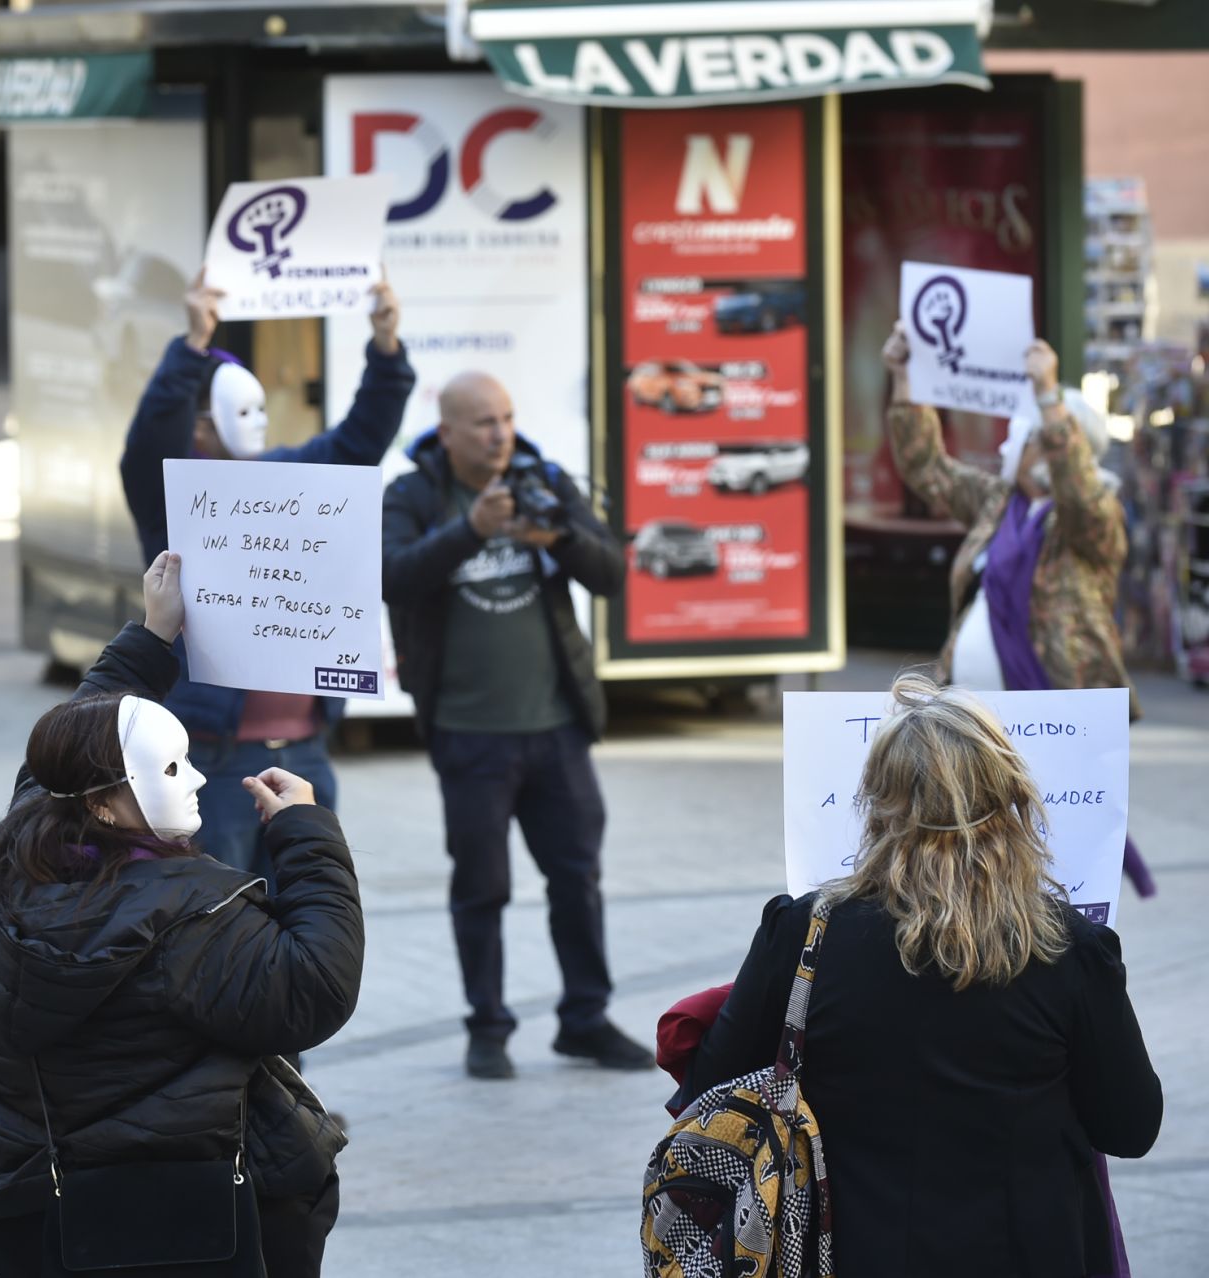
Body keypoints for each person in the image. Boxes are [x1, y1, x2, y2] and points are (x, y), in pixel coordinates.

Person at [0, 552, 362, 1278]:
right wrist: (306, 833)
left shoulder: (26, 842)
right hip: (176, 1214)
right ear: (106, 802)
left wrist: (152, 634)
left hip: (27, 1200)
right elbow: (315, 989)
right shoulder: (190, 914)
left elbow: (75, 740)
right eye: (172, 768)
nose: (197, 777)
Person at [676, 675, 1162, 1278]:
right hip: (1026, 1252)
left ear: (875, 804)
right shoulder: (1070, 949)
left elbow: (707, 1097)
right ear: (1013, 802)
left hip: (840, 1251)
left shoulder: (803, 934)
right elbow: (1132, 1126)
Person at [381, 371, 651, 1079]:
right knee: (482, 887)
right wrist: (469, 531)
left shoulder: (544, 480)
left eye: (506, 417)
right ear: (447, 432)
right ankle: (488, 1027)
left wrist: (557, 535)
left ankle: (585, 1020)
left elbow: (610, 573)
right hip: (468, 731)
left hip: (557, 727)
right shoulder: (414, 496)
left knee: (577, 878)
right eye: (483, 423)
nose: (500, 433)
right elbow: (391, 576)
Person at [117, 269, 412, 875]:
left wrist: (385, 349)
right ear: (199, 426)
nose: (254, 422)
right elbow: (147, 444)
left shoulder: (289, 477)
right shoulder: (172, 500)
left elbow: (361, 440)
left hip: (306, 756)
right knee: (220, 915)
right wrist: (191, 346)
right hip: (217, 763)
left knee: (309, 907)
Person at [881, 325, 1155, 899]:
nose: (1008, 447)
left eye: (1020, 436)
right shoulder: (997, 504)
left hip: (1055, 720)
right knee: (974, 851)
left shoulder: (1093, 519)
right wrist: (905, 378)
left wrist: (1048, 397)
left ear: (1049, 445)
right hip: (978, 720)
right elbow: (928, 467)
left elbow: (1078, 491)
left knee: (1053, 862)